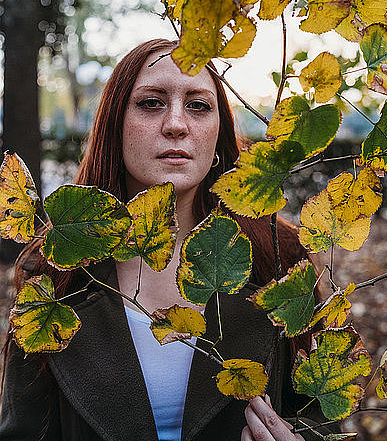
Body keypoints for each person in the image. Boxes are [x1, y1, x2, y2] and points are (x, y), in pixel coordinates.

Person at [0, 38, 340, 441]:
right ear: (115, 127)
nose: (177, 124)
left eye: (198, 105)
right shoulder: (54, 270)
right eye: (151, 103)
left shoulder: (281, 257)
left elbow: (322, 416)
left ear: (218, 136)